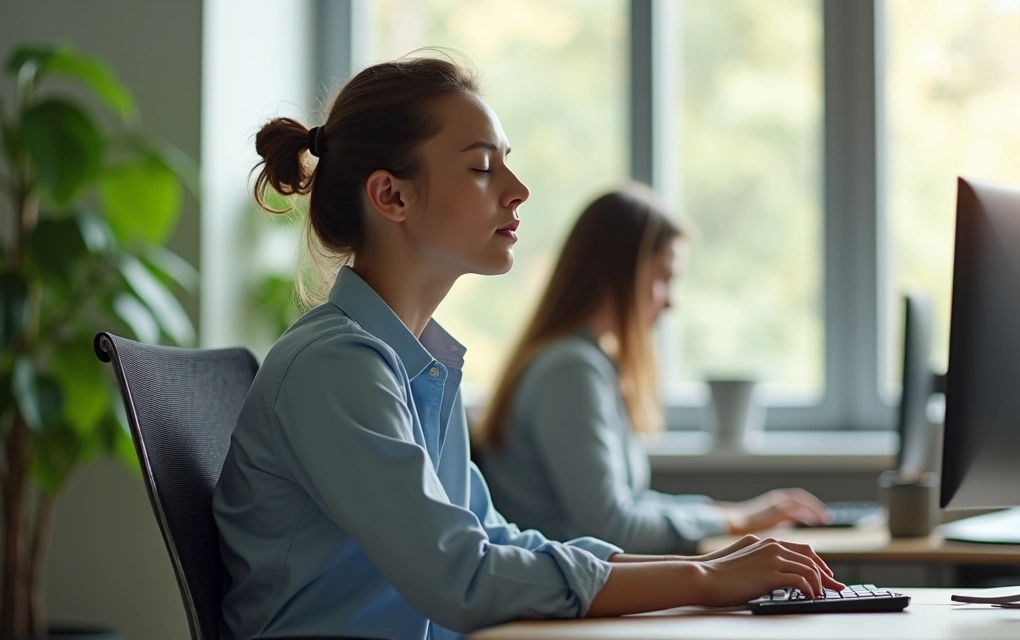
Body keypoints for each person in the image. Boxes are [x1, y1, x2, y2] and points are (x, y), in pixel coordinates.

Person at [213, 57, 843, 640]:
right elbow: (462, 576)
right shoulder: (335, 367)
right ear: (392, 196)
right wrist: (702, 578)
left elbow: (494, 538)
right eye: (483, 167)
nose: (518, 189)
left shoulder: (413, 365)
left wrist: (702, 565)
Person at [475, 184, 832, 556]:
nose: (670, 301)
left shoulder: (588, 363)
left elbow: (634, 503)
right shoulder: (571, 372)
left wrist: (733, 514)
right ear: (620, 273)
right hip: (560, 601)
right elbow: (615, 527)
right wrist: (734, 521)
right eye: (664, 278)